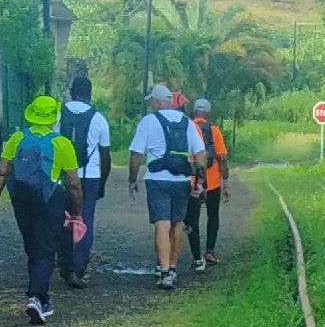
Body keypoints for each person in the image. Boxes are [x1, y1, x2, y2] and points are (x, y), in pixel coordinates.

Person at [0, 93, 82, 323]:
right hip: (50, 200)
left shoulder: (17, 137)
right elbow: (73, 184)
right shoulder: (61, 143)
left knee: (33, 245)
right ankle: (37, 298)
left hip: (21, 199)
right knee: (45, 249)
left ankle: (38, 294)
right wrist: (77, 213)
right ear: (54, 117)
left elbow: (1, 172)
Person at [127, 83, 205, 289]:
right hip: (181, 180)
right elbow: (200, 154)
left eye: (152, 102)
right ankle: (172, 268)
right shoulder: (186, 122)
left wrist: (132, 179)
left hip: (157, 179)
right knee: (177, 224)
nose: (151, 105)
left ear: (158, 102)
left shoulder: (148, 121)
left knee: (162, 224)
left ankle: (163, 272)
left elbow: (136, 154)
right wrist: (199, 181)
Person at [57, 68, 110, 287]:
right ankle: (78, 269)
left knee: (62, 218)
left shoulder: (59, 115)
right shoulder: (99, 118)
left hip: (62, 176)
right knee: (85, 220)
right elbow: (105, 156)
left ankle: (64, 261)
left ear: (71, 92)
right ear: (90, 94)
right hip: (90, 176)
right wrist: (102, 184)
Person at [185, 96, 229, 273]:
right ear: (208, 114)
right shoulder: (214, 131)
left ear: (194, 112)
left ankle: (196, 256)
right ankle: (209, 251)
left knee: (192, 220)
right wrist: (226, 182)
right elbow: (222, 158)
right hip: (212, 183)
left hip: (193, 182)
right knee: (213, 215)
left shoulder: (187, 128)